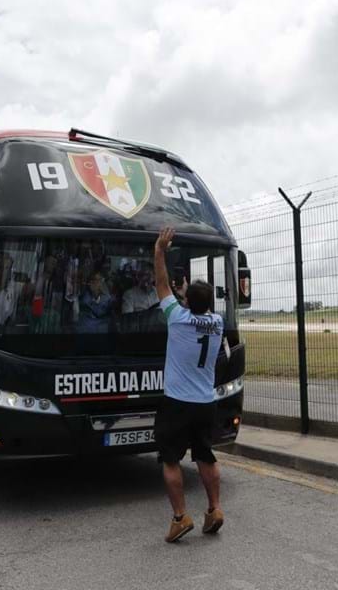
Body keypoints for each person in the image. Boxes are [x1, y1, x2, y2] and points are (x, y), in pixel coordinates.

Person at [151, 227, 226, 543]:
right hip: (205, 402)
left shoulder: (177, 317)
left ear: (185, 299)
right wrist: (190, 296)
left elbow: (161, 284)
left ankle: (181, 517)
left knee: (170, 460)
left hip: (177, 403)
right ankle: (215, 509)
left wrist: (159, 250)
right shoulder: (218, 322)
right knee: (205, 456)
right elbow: (198, 305)